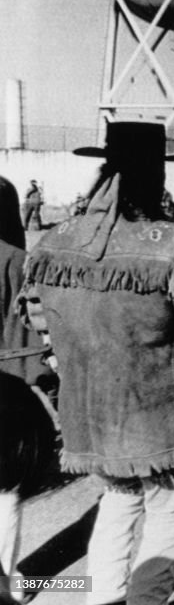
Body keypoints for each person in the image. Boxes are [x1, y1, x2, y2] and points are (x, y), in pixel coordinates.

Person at [20, 122, 174, 605]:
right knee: (169, 509)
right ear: (155, 176)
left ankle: (103, 599)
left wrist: (64, 361)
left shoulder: (56, 240)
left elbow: (36, 316)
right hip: (154, 416)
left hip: (89, 415)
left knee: (117, 503)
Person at [0, 176, 55, 605]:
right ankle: (8, 585)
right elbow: (27, 338)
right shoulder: (17, 260)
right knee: (5, 490)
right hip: (7, 390)